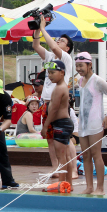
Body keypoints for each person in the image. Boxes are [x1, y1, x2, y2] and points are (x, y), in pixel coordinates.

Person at [32, 16, 74, 177]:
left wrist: (43, 28)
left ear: (68, 48)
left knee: (63, 139)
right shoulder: (50, 57)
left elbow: (53, 48)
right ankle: (55, 167)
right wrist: (37, 28)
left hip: (60, 104)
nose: (57, 41)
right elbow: (36, 45)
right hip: (46, 102)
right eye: (57, 39)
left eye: (61, 41)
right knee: (50, 138)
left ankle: (73, 168)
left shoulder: (65, 58)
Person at [75, 52, 107, 195]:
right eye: (77, 66)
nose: (79, 69)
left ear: (89, 64)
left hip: (95, 122)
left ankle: (100, 188)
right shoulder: (80, 81)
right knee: (85, 155)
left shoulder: (97, 80)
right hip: (83, 123)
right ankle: (89, 187)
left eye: (81, 66)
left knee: (96, 154)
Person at [41, 60, 75, 191]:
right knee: (65, 156)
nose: (50, 76)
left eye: (52, 73)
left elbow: (53, 109)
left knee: (61, 157)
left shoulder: (59, 89)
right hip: (64, 123)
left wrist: (45, 126)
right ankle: (68, 184)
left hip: (61, 123)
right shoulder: (62, 87)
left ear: (62, 73)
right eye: (48, 73)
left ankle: (61, 184)